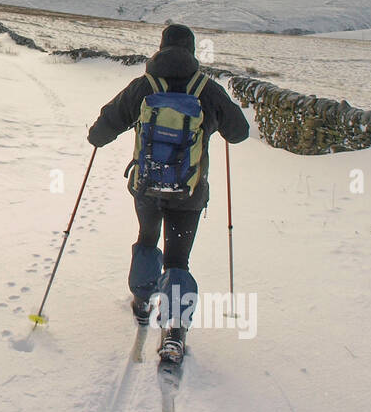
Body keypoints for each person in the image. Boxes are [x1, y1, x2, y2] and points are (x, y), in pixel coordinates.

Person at [86, 24, 249, 364]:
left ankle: (143, 301)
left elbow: (104, 126)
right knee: (178, 259)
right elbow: (240, 133)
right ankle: (174, 331)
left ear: (160, 49)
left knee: (147, 238)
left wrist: (98, 137)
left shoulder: (144, 87)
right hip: (188, 193)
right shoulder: (207, 89)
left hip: (146, 188)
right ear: (192, 52)